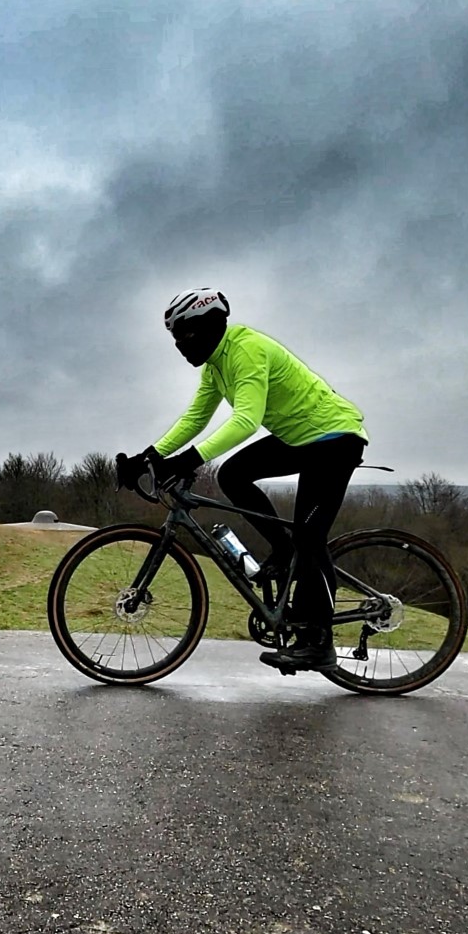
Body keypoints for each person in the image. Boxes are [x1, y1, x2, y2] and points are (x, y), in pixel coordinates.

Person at [117, 287, 368, 672]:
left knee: (310, 536)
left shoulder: (245, 349)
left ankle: (318, 642)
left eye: (184, 333)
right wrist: (148, 457)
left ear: (209, 325)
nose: (180, 345)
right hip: (299, 439)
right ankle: (284, 552)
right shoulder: (217, 365)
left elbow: (246, 421)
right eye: (174, 338)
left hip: (334, 440)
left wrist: (188, 460)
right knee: (233, 474)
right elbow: (195, 419)